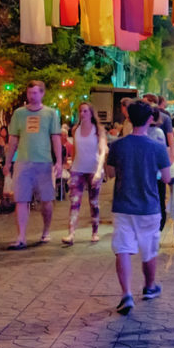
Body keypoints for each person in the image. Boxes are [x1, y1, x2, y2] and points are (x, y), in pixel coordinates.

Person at [106, 100, 171, 313]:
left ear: (128, 118)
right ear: (151, 120)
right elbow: (167, 178)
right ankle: (150, 287)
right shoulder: (158, 148)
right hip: (149, 205)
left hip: (123, 204)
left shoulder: (117, 146)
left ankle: (126, 294)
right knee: (149, 250)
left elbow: (110, 173)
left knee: (123, 249)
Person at [4, 80, 64, 249]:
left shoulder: (50, 114)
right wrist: (8, 161)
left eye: (35, 93)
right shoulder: (19, 114)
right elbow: (13, 139)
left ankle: (46, 230)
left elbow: (56, 138)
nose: (32, 96)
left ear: (42, 93)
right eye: (30, 93)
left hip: (44, 162)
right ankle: (21, 236)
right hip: (23, 162)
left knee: (46, 200)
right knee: (21, 200)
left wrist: (59, 161)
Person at [63, 101, 107, 246]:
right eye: (81, 111)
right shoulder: (76, 130)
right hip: (78, 169)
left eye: (86, 111)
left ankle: (95, 231)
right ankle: (71, 233)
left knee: (94, 202)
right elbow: (75, 150)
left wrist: (99, 171)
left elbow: (102, 151)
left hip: (93, 169)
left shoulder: (98, 130)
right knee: (74, 201)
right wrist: (70, 170)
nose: (83, 114)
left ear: (91, 113)